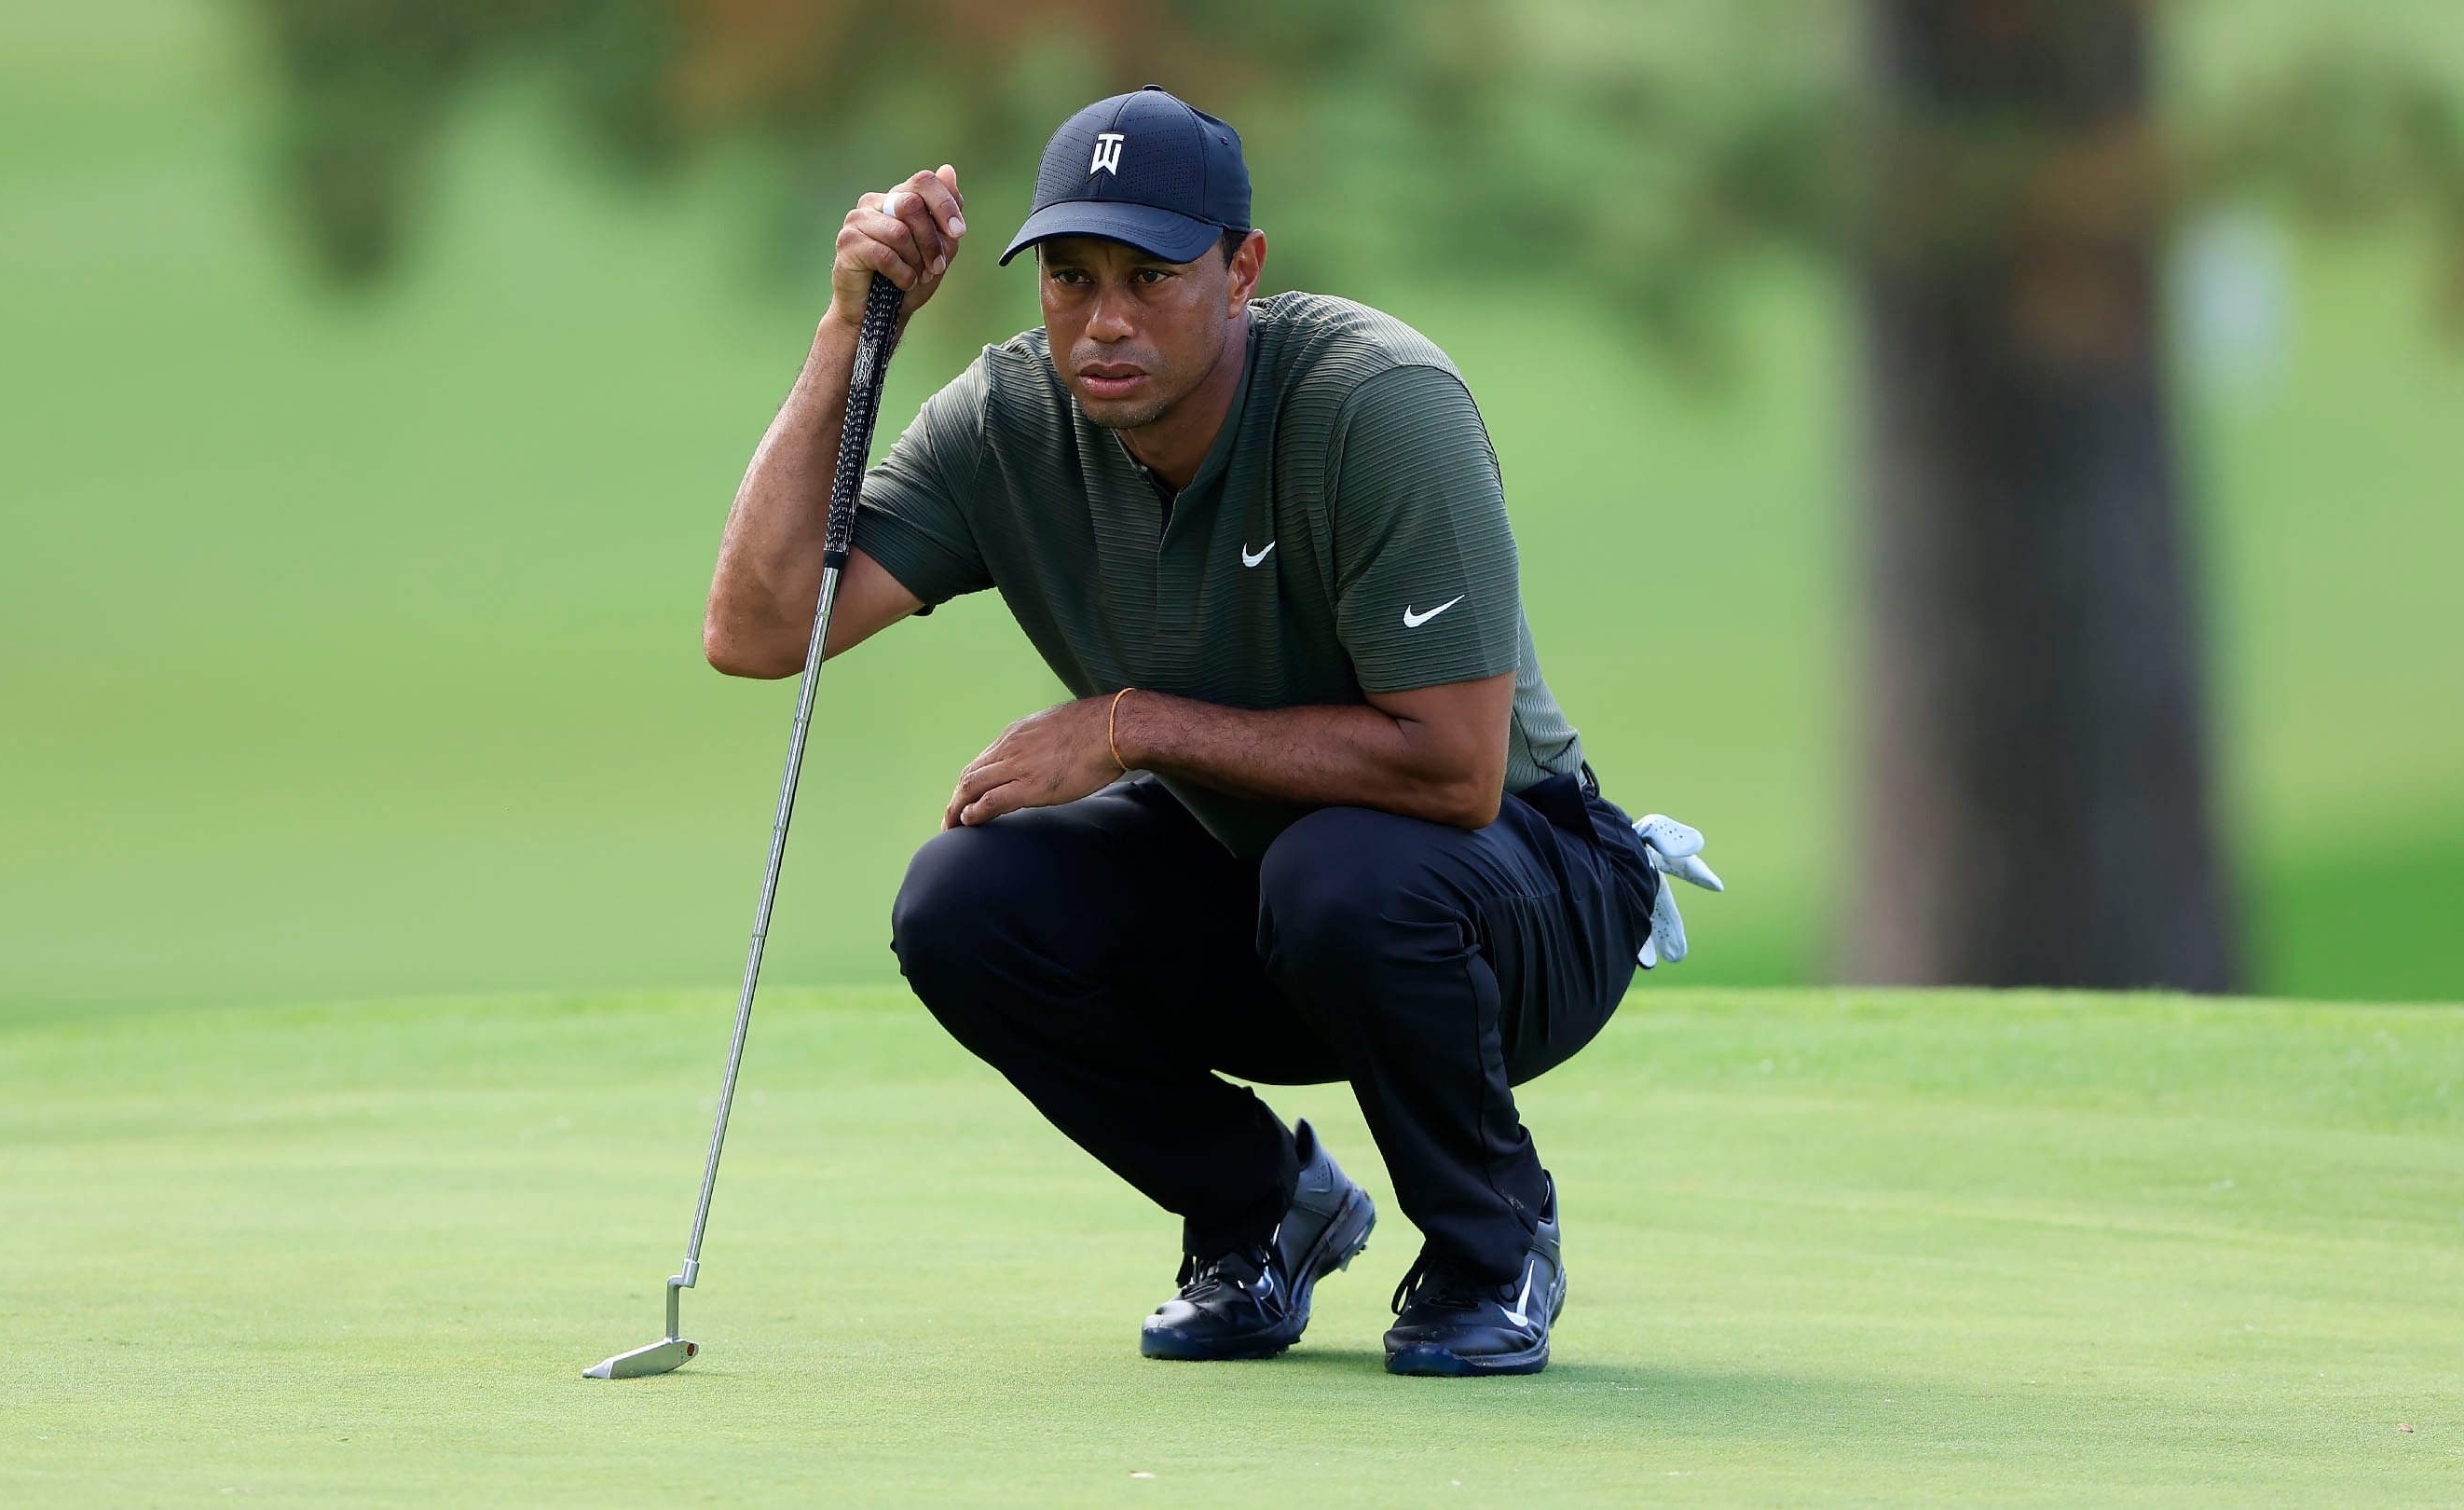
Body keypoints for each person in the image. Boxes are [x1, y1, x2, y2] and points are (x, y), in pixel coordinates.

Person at [704, 86, 1715, 1377]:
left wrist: (1127, 726)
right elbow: (756, 627)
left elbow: (1458, 774)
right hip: (1268, 897)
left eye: (1152, 275)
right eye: (1070, 278)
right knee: (963, 899)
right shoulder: (1011, 418)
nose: (1105, 319)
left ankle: (1491, 1247)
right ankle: (1260, 1209)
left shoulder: (1377, 402)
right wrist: (851, 330)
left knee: (1337, 871)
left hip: (1525, 893)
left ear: (1242, 271)